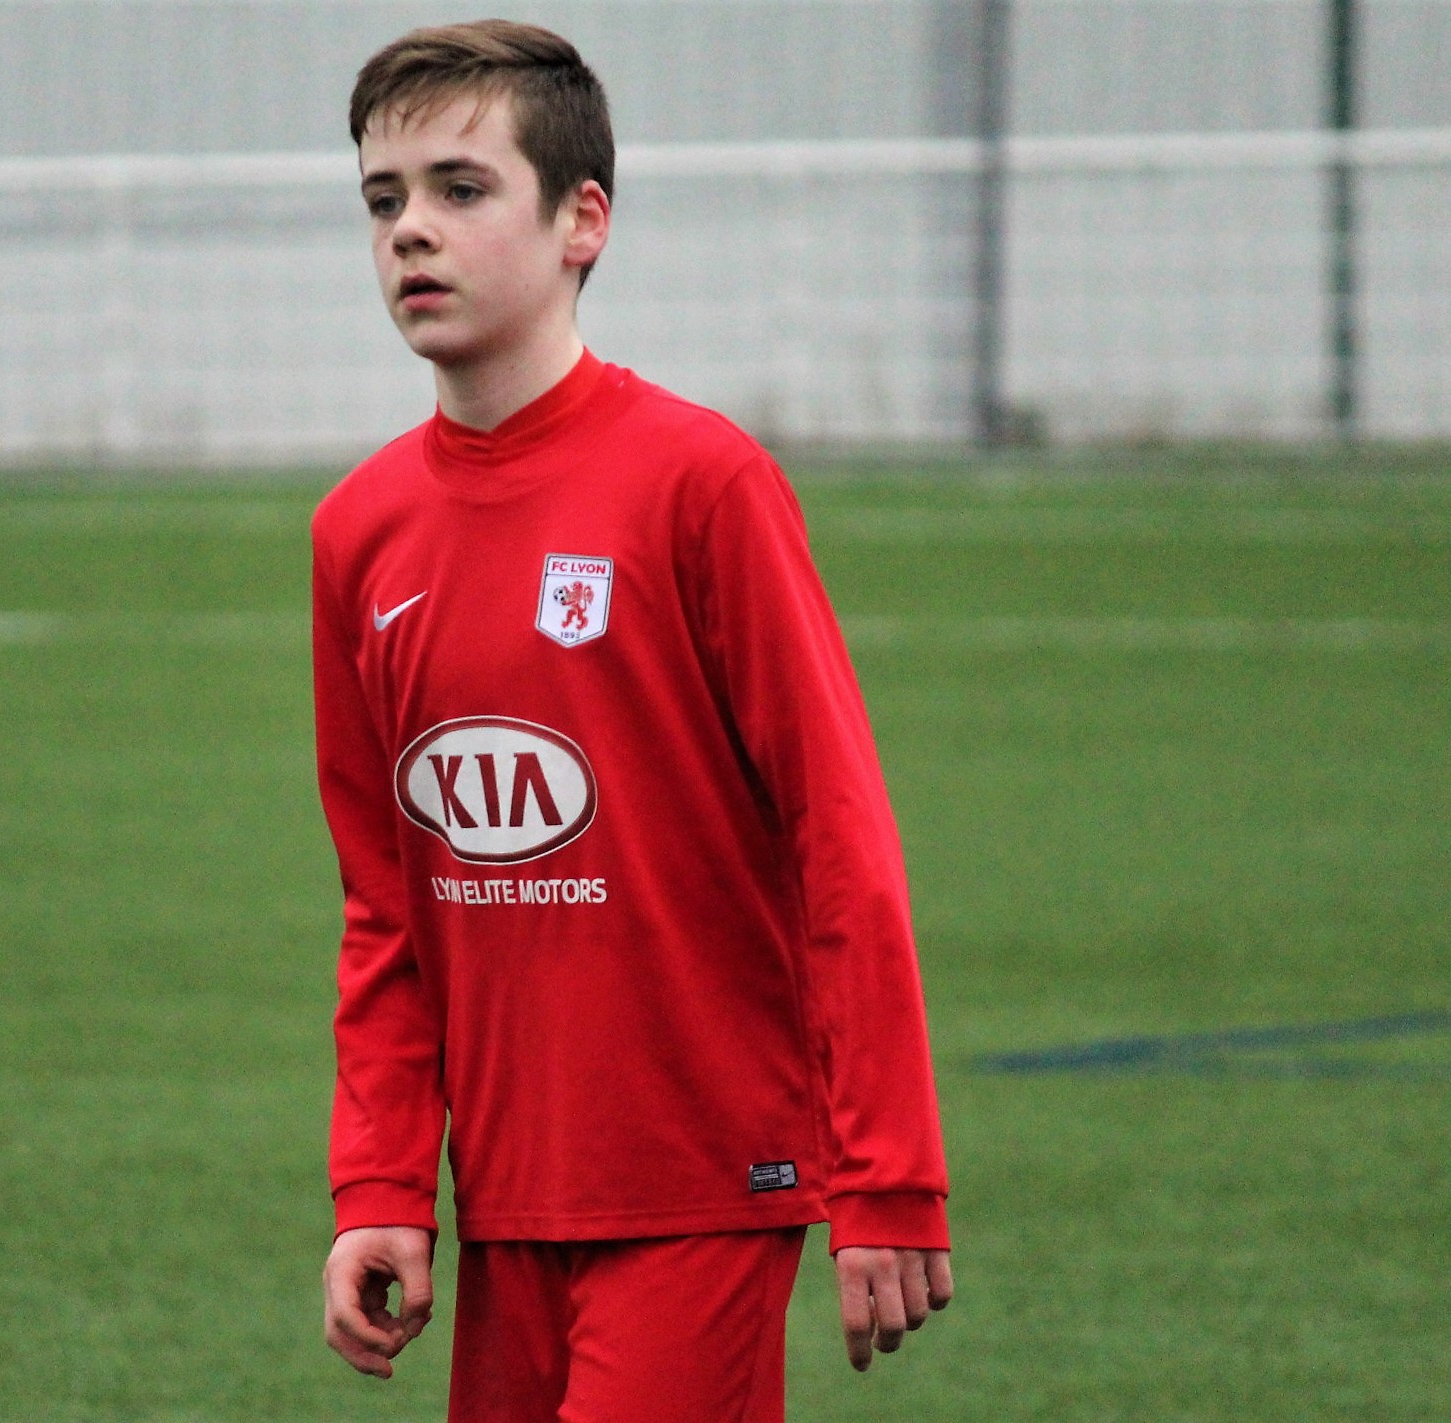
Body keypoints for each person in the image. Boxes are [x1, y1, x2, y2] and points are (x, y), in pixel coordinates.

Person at [312, 20, 952, 1420]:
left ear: (580, 221)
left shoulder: (699, 485)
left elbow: (840, 835)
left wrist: (886, 1174)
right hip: (511, 1196)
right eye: (383, 199)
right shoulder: (358, 533)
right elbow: (389, 904)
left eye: (460, 189)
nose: (412, 230)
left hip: (704, 1178)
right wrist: (381, 1184)